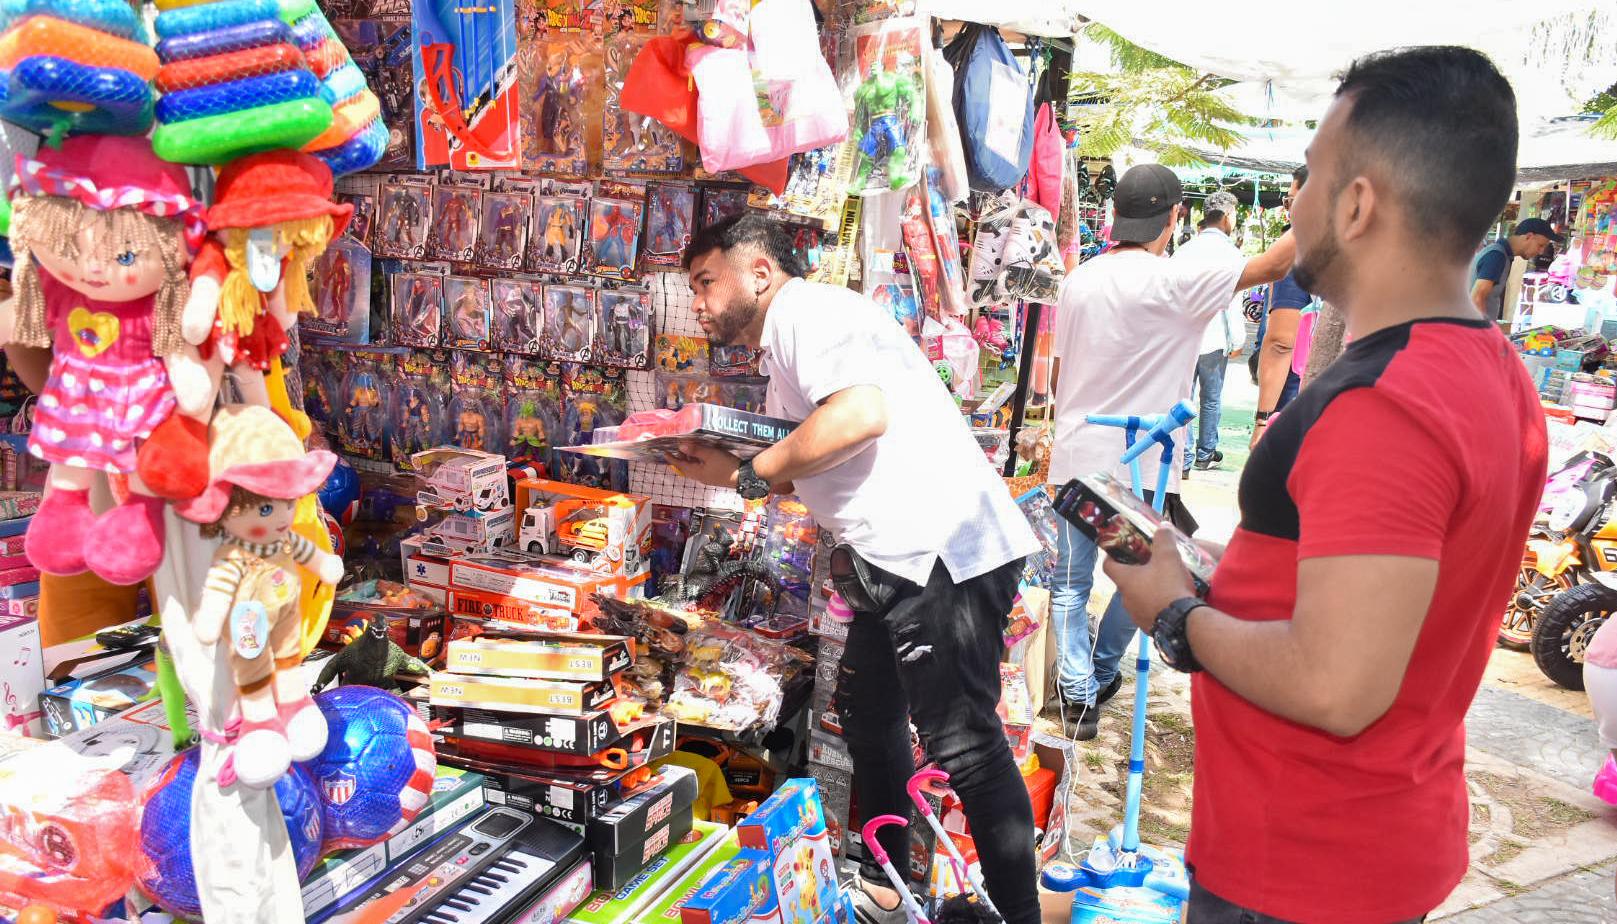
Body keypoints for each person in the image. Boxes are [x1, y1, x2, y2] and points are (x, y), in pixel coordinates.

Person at [1102, 47, 1547, 922]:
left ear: (1355, 203)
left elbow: (1334, 685)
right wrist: (1230, 564)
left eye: (1308, 175)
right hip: (1365, 839)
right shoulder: (1492, 369)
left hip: (1303, 862)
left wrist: (1173, 615)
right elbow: (1388, 579)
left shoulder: (1387, 401)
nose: (1295, 204)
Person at [668, 213, 1042, 924]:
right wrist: (734, 468)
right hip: (891, 560)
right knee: (867, 714)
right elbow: (812, 451)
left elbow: (860, 416)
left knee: (964, 743)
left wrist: (750, 474)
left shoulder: (809, 314)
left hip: (937, 554)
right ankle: (886, 881)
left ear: (758, 272)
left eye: (705, 282)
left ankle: (1017, 916)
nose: (698, 302)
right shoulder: (782, 347)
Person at [1046, 164, 1295, 740]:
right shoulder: (1177, 282)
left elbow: (1059, 365)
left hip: (1079, 455)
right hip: (1143, 464)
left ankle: (1078, 694)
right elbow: (1277, 264)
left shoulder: (1079, 278)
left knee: (1069, 582)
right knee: (1150, 577)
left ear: (1115, 216)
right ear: (1176, 216)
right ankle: (1100, 672)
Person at [1175, 191, 1248, 474]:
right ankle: (1206, 453)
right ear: (1228, 216)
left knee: (1183, 397)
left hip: (1185, 336)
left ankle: (1185, 457)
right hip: (1216, 337)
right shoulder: (1232, 254)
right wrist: (1238, 339)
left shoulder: (1185, 250)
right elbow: (1234, 301)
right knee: (1211, 398)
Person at [1251, 167, 1311, 444]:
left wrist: (1262, 421)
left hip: (1293, 406)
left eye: (1291, 201)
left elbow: (1281, 343)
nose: (1288, 210)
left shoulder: (1300, 253)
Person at [1469, 216, 1560, 321]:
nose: (1541, 252)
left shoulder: (1501, 254)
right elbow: (1476, 298)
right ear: (1528, 237)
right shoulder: (1497, 256)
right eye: (1540, 245)